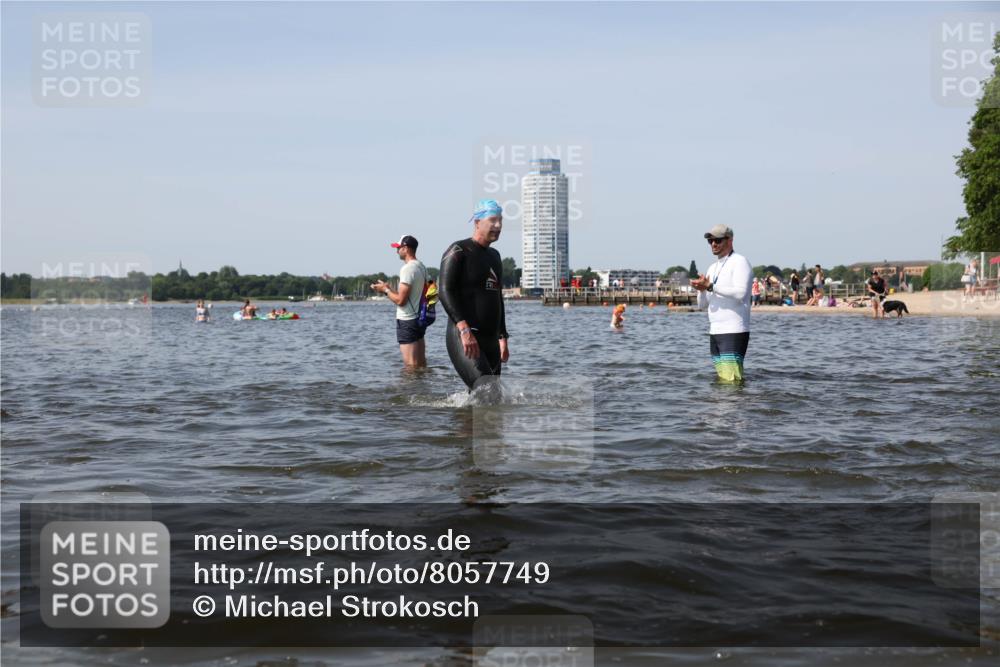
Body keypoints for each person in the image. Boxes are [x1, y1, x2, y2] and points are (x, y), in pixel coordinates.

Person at [439, 200, 510, 391]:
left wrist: (502, 337)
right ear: (477, 222)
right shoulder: (458, 251)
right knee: (487, 392)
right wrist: (464, 329)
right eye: (493, 220)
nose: (498, 225)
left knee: (491, 397)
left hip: (491, 339)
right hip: (464, 336)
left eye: (500, 220)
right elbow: (444, 291)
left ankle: (463, 412)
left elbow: (497, 298)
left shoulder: (495, 256)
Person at [690, 224, 753, 383]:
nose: (713, 244)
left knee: (731, 380)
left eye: (717, 240)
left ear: (729, 240)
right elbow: (702, 305)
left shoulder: (740, 262)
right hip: (715, 331)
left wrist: (711, 286)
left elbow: (740, 293)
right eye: (710, 241)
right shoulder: (712, 268)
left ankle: (736, 399)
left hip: (733, 330)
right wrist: (702, 290)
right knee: (723, 379)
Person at [372, 235, 427, 368]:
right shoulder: (421, 267)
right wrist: (389, 288)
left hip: (407, 321)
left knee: (410, 366)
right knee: (421, 364)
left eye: (398, 248)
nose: (397, 251)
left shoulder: (407, 269)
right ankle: (423, 382)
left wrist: (385, 290)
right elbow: (409, 296)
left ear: (406, 248)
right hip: (419, 319)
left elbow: (401, 301)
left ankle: (411, 383)